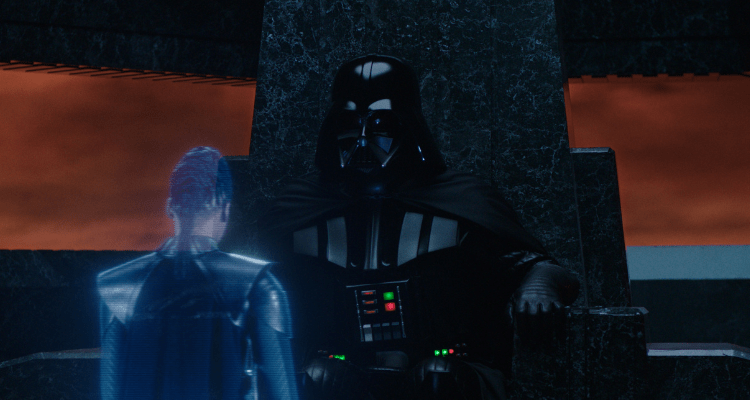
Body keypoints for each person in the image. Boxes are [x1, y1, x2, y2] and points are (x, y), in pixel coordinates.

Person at [258, 55, 579, 400]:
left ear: (408, 126)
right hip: (343, 369)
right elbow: (253, 276)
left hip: (445, 370)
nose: (362, 140)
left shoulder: (460, 200)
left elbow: (543, 269)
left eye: (380, 125)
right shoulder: (303, 206)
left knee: (438, 378)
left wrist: (539, 287)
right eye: (350, 124)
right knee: (315, 379)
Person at [98, 146, 299, 400]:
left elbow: (111, 392)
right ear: (224, 208)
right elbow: (282, 392)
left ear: (170, 207)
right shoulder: (259, 284)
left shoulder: (115, 286)